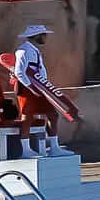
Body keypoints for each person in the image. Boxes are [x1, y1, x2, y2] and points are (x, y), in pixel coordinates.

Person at [11, 24, 63, 157]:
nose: (46, 37)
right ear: (37, 36)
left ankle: (54, 147)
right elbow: (19, 72)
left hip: (39, 89)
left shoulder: (34, 50)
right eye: (44, 35)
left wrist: (44, 88)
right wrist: (31, 88)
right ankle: (25, 149)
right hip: (27, 89)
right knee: (27, 117)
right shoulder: (23, 51)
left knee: (52, 114)